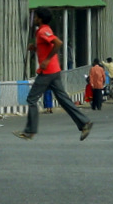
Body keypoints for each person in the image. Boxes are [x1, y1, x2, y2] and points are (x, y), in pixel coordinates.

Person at [14, 7, 93, 141]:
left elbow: (58, 43)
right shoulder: (44, 30)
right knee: (63, 99)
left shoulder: (43, 31)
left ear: (40, 18)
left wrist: (47, 60)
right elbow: (48, 46)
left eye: (36, 17)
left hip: (47, 72)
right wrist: (35, 48)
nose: (34, 19)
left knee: (31, 99)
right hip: (54, 71)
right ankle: (84, 123)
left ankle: (30, 131)